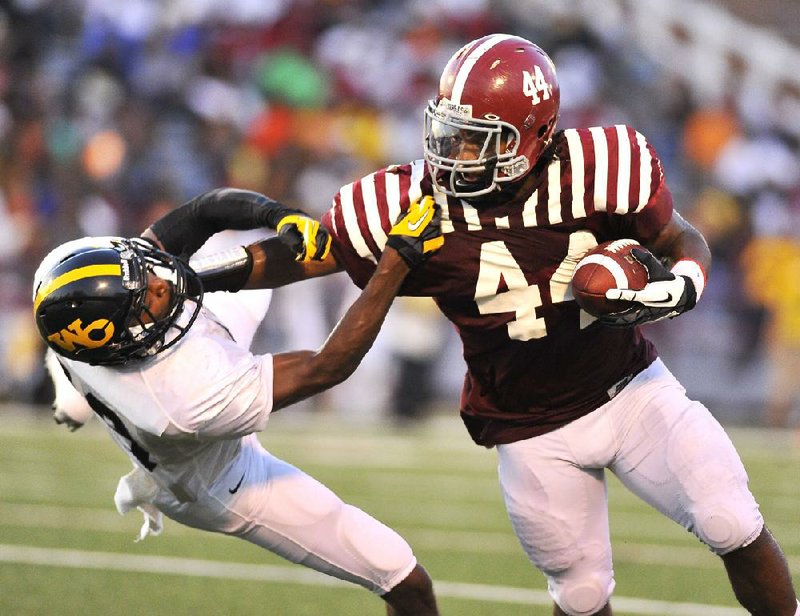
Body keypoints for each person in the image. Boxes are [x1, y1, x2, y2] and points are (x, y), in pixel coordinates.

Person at [189, 34, 800, 615]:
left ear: (534, 137)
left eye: (478, 140)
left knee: (732, 520)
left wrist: (683, 283)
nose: (452, 154)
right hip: (527, 425)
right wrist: (195, 277)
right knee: (582, 595)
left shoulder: (602, 166)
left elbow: (677, 237)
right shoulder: (408, 204)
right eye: (449, 134)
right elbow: (304, 254)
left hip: (631, 391)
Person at [32, 188, 444, 616]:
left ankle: (360, 241)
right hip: (223, 479)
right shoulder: (179, 400)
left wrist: (279, 214)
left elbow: (204, 210)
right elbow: (326, 367)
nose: (161, 284)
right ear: (121, 343)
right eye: (147, 300)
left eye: (145, 275)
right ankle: (392, 247)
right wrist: (393, 268)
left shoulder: (76, 280)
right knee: (400, 574)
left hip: (183, 360)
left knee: (261, 251)